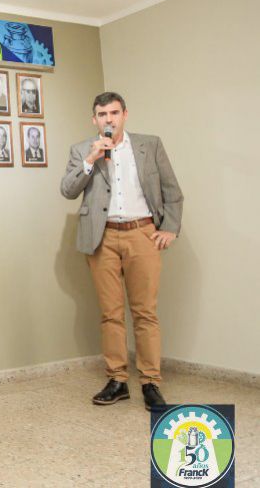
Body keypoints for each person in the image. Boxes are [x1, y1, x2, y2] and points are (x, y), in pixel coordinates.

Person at [60, 92, 183, 412]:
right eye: (102, 114)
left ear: (125, 114)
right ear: (94, 119)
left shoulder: (149, 145)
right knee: (110, 313)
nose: (109, 119)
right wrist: (91, 158)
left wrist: (169, 228)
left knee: (145, 312)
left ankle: (150, 382)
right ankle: (117, 380)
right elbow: (68, 190)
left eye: (114, 113)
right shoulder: (82, 150)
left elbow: (172, 191)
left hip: (142, 233)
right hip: (101, 237)